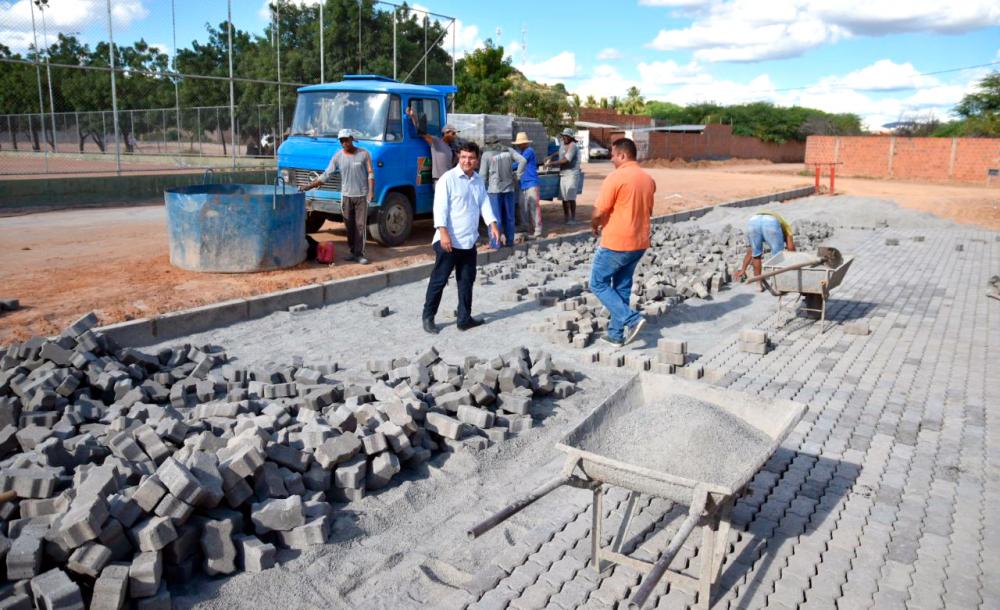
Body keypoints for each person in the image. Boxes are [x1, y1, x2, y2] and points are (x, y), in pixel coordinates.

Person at [422, 141, 504, 334]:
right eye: (464, 157)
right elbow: (440, 208)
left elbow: (484, 203)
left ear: (477, 160)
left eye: (471, 158)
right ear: (459, 157)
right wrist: (443, 233)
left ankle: (464, 318)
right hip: (448, 241)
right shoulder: (447, 179)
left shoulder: (477, 180)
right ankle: (428, 316)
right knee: (439, 279)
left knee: (467, 280)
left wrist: (493, 224)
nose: (467, 161)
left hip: (468, 241)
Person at [589, 138, 656, 347]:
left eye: (613, 154)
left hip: (617, 242)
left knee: (597, 283)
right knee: (622, 287)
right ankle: (616, 335)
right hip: (639, 242)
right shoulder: (648, 179)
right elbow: (648, 210)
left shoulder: (616, 177)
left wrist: (594, 224)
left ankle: (632, 318)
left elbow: (599, 210)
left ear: (623, 155)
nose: (611, 159)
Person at [299, 128, 374, 265]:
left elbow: (370, 174)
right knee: (349, 226)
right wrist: (308, 186)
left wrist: (371, 192)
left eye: (346, 139)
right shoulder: (338, 157)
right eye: (341, 140)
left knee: (360, 226)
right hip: (346, 196)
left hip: (361, 196)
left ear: (352, 139)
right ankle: (352, 252)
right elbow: (326, 175)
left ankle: (359, 254)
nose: (344, 143)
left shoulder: (364, 154)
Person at [480, 135, 526, 248]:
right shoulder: (509, 150)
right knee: (510, 217)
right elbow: (523, 160)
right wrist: (518, 175)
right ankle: (510, 242)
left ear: (489, 144)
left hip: (494, 191)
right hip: (509, 189)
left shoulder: (486, 155)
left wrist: (481, 189)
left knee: (496, 218)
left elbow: (482, 175)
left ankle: (496, 243)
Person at [733, 211, 796, 286]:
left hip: (753, 222)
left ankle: (758, 284)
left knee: (756, 255)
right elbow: (791, 247)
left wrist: (743, 269)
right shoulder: (786, 226)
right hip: (771, 222)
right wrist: (794, 263)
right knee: (778, 255)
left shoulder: (761, 218)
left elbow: (751, 251)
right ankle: (778, 284)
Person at [407, 106, 458, 183]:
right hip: (439, 179)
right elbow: (421, 132)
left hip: (449, 179)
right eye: (453, 133)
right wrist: (413, 116)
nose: (455, 136)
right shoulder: (436, 141)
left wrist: (457, 158)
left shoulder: (450, 148)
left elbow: (450, 165)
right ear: (446, 133)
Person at [545, 128, 582, 224]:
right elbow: (560, 152)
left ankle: (573, 218)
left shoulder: (573, 146)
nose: (564, 137)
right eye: (563, 136)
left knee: (570, 197)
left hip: (572, 173)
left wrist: (552, 163)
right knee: (564, 198)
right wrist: (551, 156)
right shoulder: (563, 144)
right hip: (563, 174)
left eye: (566, 136)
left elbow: (566, 160)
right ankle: (566, 218)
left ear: (570, 137)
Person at [513, 131, 542, 237]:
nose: (519, 145)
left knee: (533, 206)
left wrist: (506, 166)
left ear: (525, 143)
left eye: (520, 143)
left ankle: (537, 229)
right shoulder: (521, 152)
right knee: (523, 206)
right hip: (523, 183)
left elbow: (520, 162)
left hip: (531, 183)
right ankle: (525, 226)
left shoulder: (529, 151)